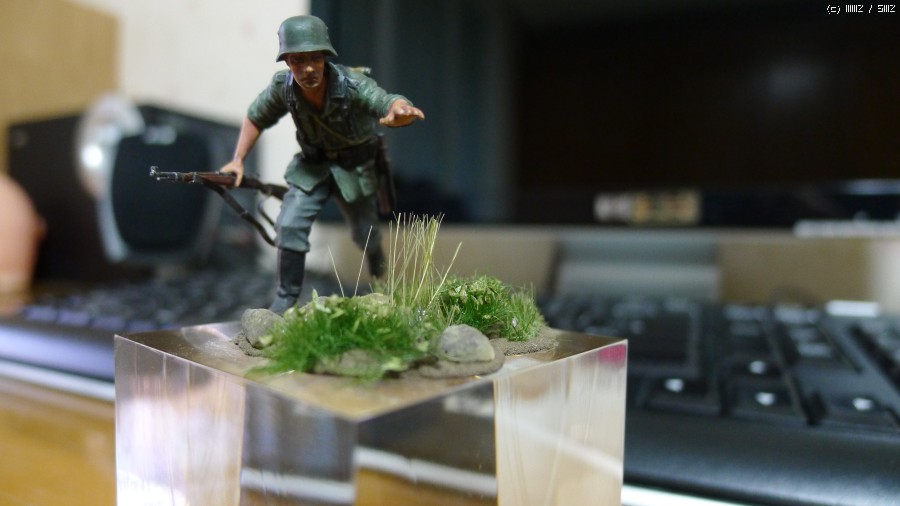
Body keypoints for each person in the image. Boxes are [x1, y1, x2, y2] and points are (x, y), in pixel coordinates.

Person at [221, 15, 425, 314]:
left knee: (365, 232)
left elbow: (382, 100)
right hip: (312, 167)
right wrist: (238, 160)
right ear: (287, 61)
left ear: (326, 57)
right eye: (298, 60)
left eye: (315, 58)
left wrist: (399, 109)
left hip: (354, 169)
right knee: (289, 224)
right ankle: (287, 296)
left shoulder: (352, 84)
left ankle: (378, 270)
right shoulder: (283, 88)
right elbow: (256, 116)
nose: (308, 68)